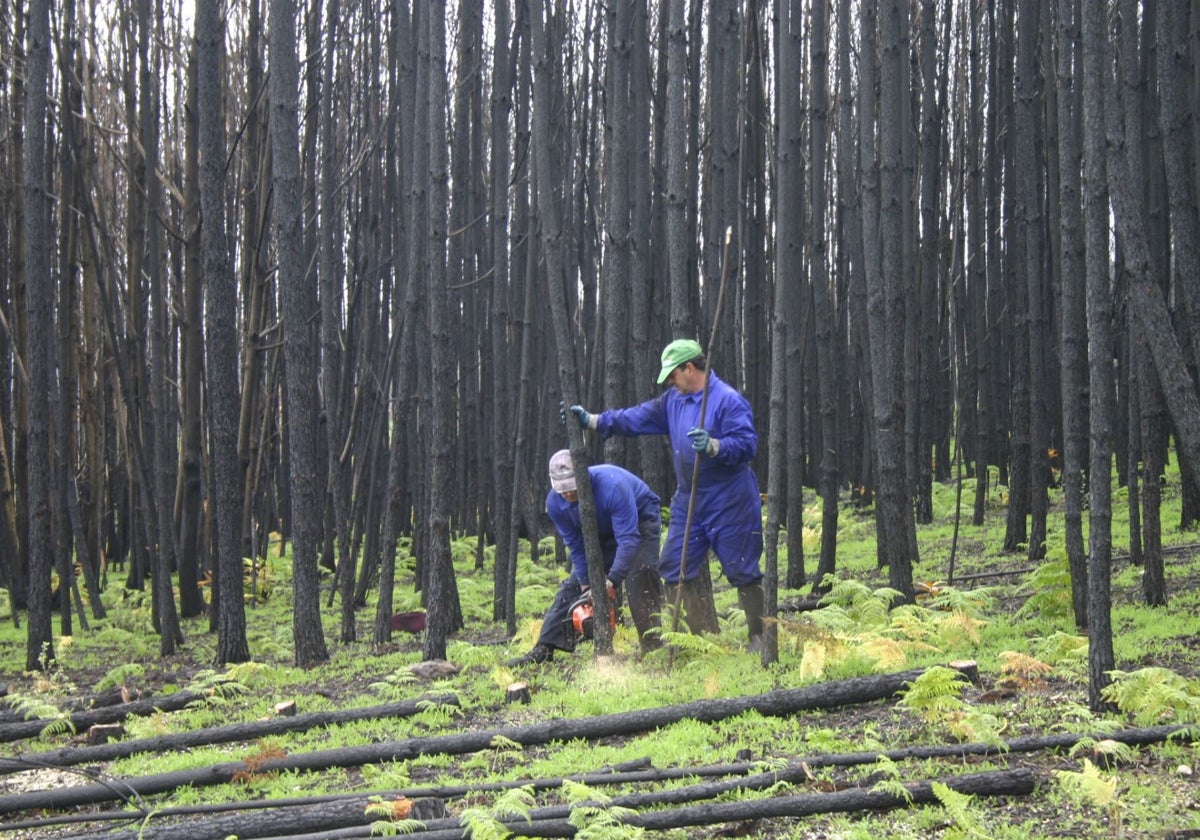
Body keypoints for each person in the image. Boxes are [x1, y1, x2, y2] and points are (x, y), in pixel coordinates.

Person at [568, 338, 765, 651]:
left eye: (673, 375)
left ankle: (761, 638)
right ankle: (693, 643)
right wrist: (594, 421)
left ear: (689, 368)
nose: (671, 383)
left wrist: (716, 446)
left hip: (731, 500)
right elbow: (637, 418)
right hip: (690, 500)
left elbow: (748, 445)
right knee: (674, 567)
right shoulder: (674, 401)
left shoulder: (726, 401)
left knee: (743, 570)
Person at [507, 450, 666, 665]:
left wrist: (613, 580)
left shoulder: (613, 487)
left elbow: (629, 540)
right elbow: (577, 546)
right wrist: (585, 584)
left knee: (641, 574)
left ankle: (653, 647)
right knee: (571, 587)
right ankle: (545, 647)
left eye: (572, 488)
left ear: (583, 476)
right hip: (599, 530)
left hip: (639, 518)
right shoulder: (555, 504)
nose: (569, 494)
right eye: (563, 490)